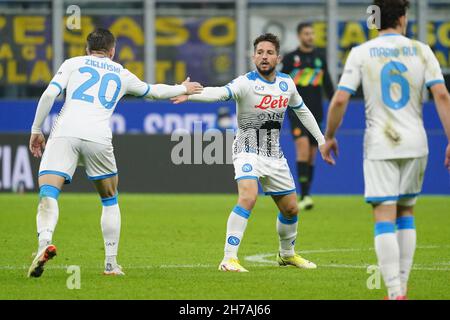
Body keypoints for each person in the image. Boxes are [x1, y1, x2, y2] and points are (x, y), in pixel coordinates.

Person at [27, 28, 202, 278]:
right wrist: (182, 88)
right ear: (112, 51)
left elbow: (49, 94)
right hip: (98, 137)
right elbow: (153, 91)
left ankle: (44, 244)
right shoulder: (121, 72)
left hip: (64, 133)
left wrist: (36, 129)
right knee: (109, 198)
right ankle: (110, 264)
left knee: (48, 192)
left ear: (87, 50)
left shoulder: (73, 63)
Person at [172, 33, 333, 272]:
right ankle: (229, 259)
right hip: (246, 149)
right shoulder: (245, 82)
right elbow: (220, 93)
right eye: (260, 52)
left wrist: (321, 140)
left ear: (278, 57)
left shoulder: (286, 83)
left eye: (269, 53)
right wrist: (191, 94)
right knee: (248, 197)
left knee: (291, 209)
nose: (264, 57)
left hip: (274, 154)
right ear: (253, 56)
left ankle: (287, 254)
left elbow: (303, 112)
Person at [322, 0, 450, 299]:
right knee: (406, 212)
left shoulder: (361, 53)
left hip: (381, 143)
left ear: (375, 21)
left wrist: (329, 135)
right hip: (417, 142)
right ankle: (402, 287)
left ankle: (394, 292)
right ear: (403, 18)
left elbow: (340, 99)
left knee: (384, 214)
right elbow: (441, 94)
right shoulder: (422, 50)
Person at [281, 22, 335, 210]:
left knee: (312, 155)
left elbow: (328, 85)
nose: (310, 36)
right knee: (302, 148)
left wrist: (336, 102)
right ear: (299, 36)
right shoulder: (290, 59)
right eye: (306, 33)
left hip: (316, 112)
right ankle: (302, 195)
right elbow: (280, 83)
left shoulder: (320, 58)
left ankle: (306, 194)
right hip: (296, 112)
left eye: (312, 33)